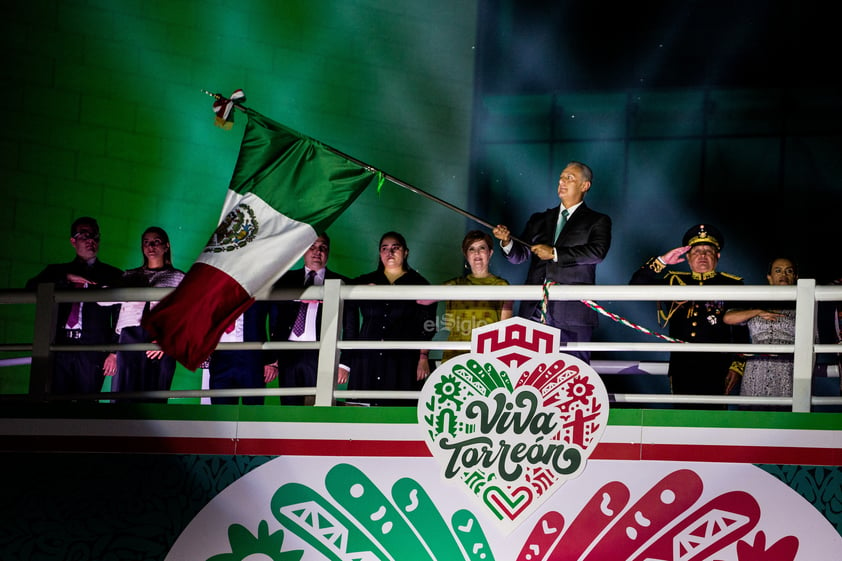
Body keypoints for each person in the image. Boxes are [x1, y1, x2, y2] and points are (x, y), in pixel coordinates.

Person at [492, 161, 612, 363]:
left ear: (585, 186)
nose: (562, 181)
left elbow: (597, 253)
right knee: (528, 370)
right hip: (533, 310)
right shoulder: (540, 219)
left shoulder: (597, 220)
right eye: (561, 177)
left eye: (569, 178)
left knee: (572, 373)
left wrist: (556, 253)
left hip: (572, 313)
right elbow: (519, 255)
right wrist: (506, 242)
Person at [629, 223, 748, 397]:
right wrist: (662, 261)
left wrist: (737, 366)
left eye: (708, 251)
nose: (702, 256)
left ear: (718, 255)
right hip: (682, 365)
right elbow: (635, 286)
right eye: (696, 251)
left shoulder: (732, 284)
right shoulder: (673, 281)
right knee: (682, 416)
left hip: (717, 365)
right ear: (688, 257)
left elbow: (741, 330)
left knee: (714, 418)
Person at [25, 217, 124, 395]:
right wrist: (66, 279)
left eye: (95, 236)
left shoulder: (112, 274)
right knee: (56, 401)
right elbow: (30, 288)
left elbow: (121, 315)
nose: (90, 240)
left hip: (92, 349)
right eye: (84, 235)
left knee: (86, 405)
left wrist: (114, 352)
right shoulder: (57, 271)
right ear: (73, 241)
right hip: (60, 347)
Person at [342, 232, 437, 406]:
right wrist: (360, 288)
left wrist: (423, 356)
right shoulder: (367, 280)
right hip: (367, 356)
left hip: (402, 357)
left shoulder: (419, 283)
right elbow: (339, 288)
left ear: (406, 252)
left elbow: (428, 324)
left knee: (397, 408)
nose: (390, 252)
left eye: (395, 248)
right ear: (379, 253)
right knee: (361, 414)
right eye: (384, 248)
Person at [101, 227, 185, 402]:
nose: (151, 246)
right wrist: (113, 352)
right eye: (146, 242)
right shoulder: (130, 275)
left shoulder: (179, 278)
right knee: (122, 397)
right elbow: (102, 300)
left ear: (166, 246)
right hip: (129, 336)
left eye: (156, 241)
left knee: (155, 398)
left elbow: (188, 315)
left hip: (160, 339)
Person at [267, 233, 349, 405]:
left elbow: (350, 326)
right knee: (289, 406)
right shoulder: (285, 280)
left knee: (316, 406)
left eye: (323, 247)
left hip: (320, 352)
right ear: (304, 250)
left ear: (328, 252)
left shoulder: (340, 282)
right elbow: (275, 319)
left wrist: (344, 363)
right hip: (287, 351)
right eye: (312, 246)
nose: (317, 251)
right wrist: (272, 358)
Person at [723, 257, 798, 405]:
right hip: (757, 366)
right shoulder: (756, 299)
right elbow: (728, 318)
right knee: (755, 415)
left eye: (789, 271)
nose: (783, 274)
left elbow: (814, 339)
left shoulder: (804, 302)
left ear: (795, 277)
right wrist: (757, 312)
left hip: (789, 366)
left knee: (788, 416)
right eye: (778, 271)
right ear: (769, 277)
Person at [441, 230, 513, 363]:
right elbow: (423, 300)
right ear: (466, 254)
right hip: (455, 355)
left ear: (490, 253)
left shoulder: (502, 285)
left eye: (482, 248)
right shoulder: (454, 284)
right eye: (471, 249)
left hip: (487, 356)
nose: (477, 253)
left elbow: (505, 329)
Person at [207, 303, 275, 405]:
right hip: (220, 357)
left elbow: (276, 318)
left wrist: (272, 360)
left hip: (252, 358)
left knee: (252, 414)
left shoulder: (259, 288)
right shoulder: (215, 290)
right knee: (221, 413)